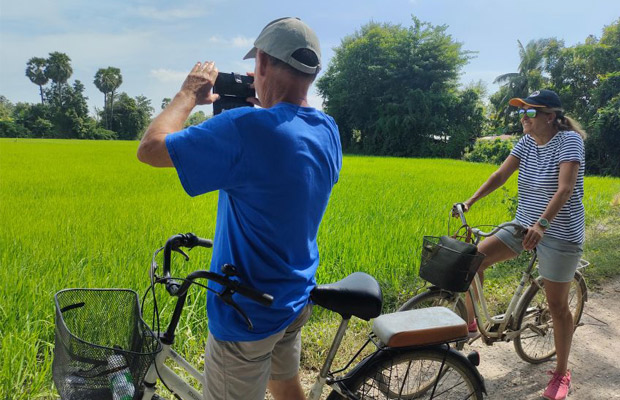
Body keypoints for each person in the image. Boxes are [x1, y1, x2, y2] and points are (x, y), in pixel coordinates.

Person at [137, 17, 342, 400]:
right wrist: (267, 110)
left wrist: (188, 94)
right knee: (284, 385)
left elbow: (149, 148)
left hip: (246, 313)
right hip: (293, 298)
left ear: (261, 63)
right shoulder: (327, 129)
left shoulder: (245, 128)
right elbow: (283, 161)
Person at [460, 89, 585, 400]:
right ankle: (472, 323)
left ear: (551, 117)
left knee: (557, 306)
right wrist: (470, 201)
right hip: (523, 224)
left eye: (531, 113)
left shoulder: (570, 141)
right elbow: (501, 174)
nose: (524, 119)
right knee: (473, 260)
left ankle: (561, 373)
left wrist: (542, 226)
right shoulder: (527, 142)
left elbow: (565, 189)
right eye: (521, 112)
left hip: (559, 230)